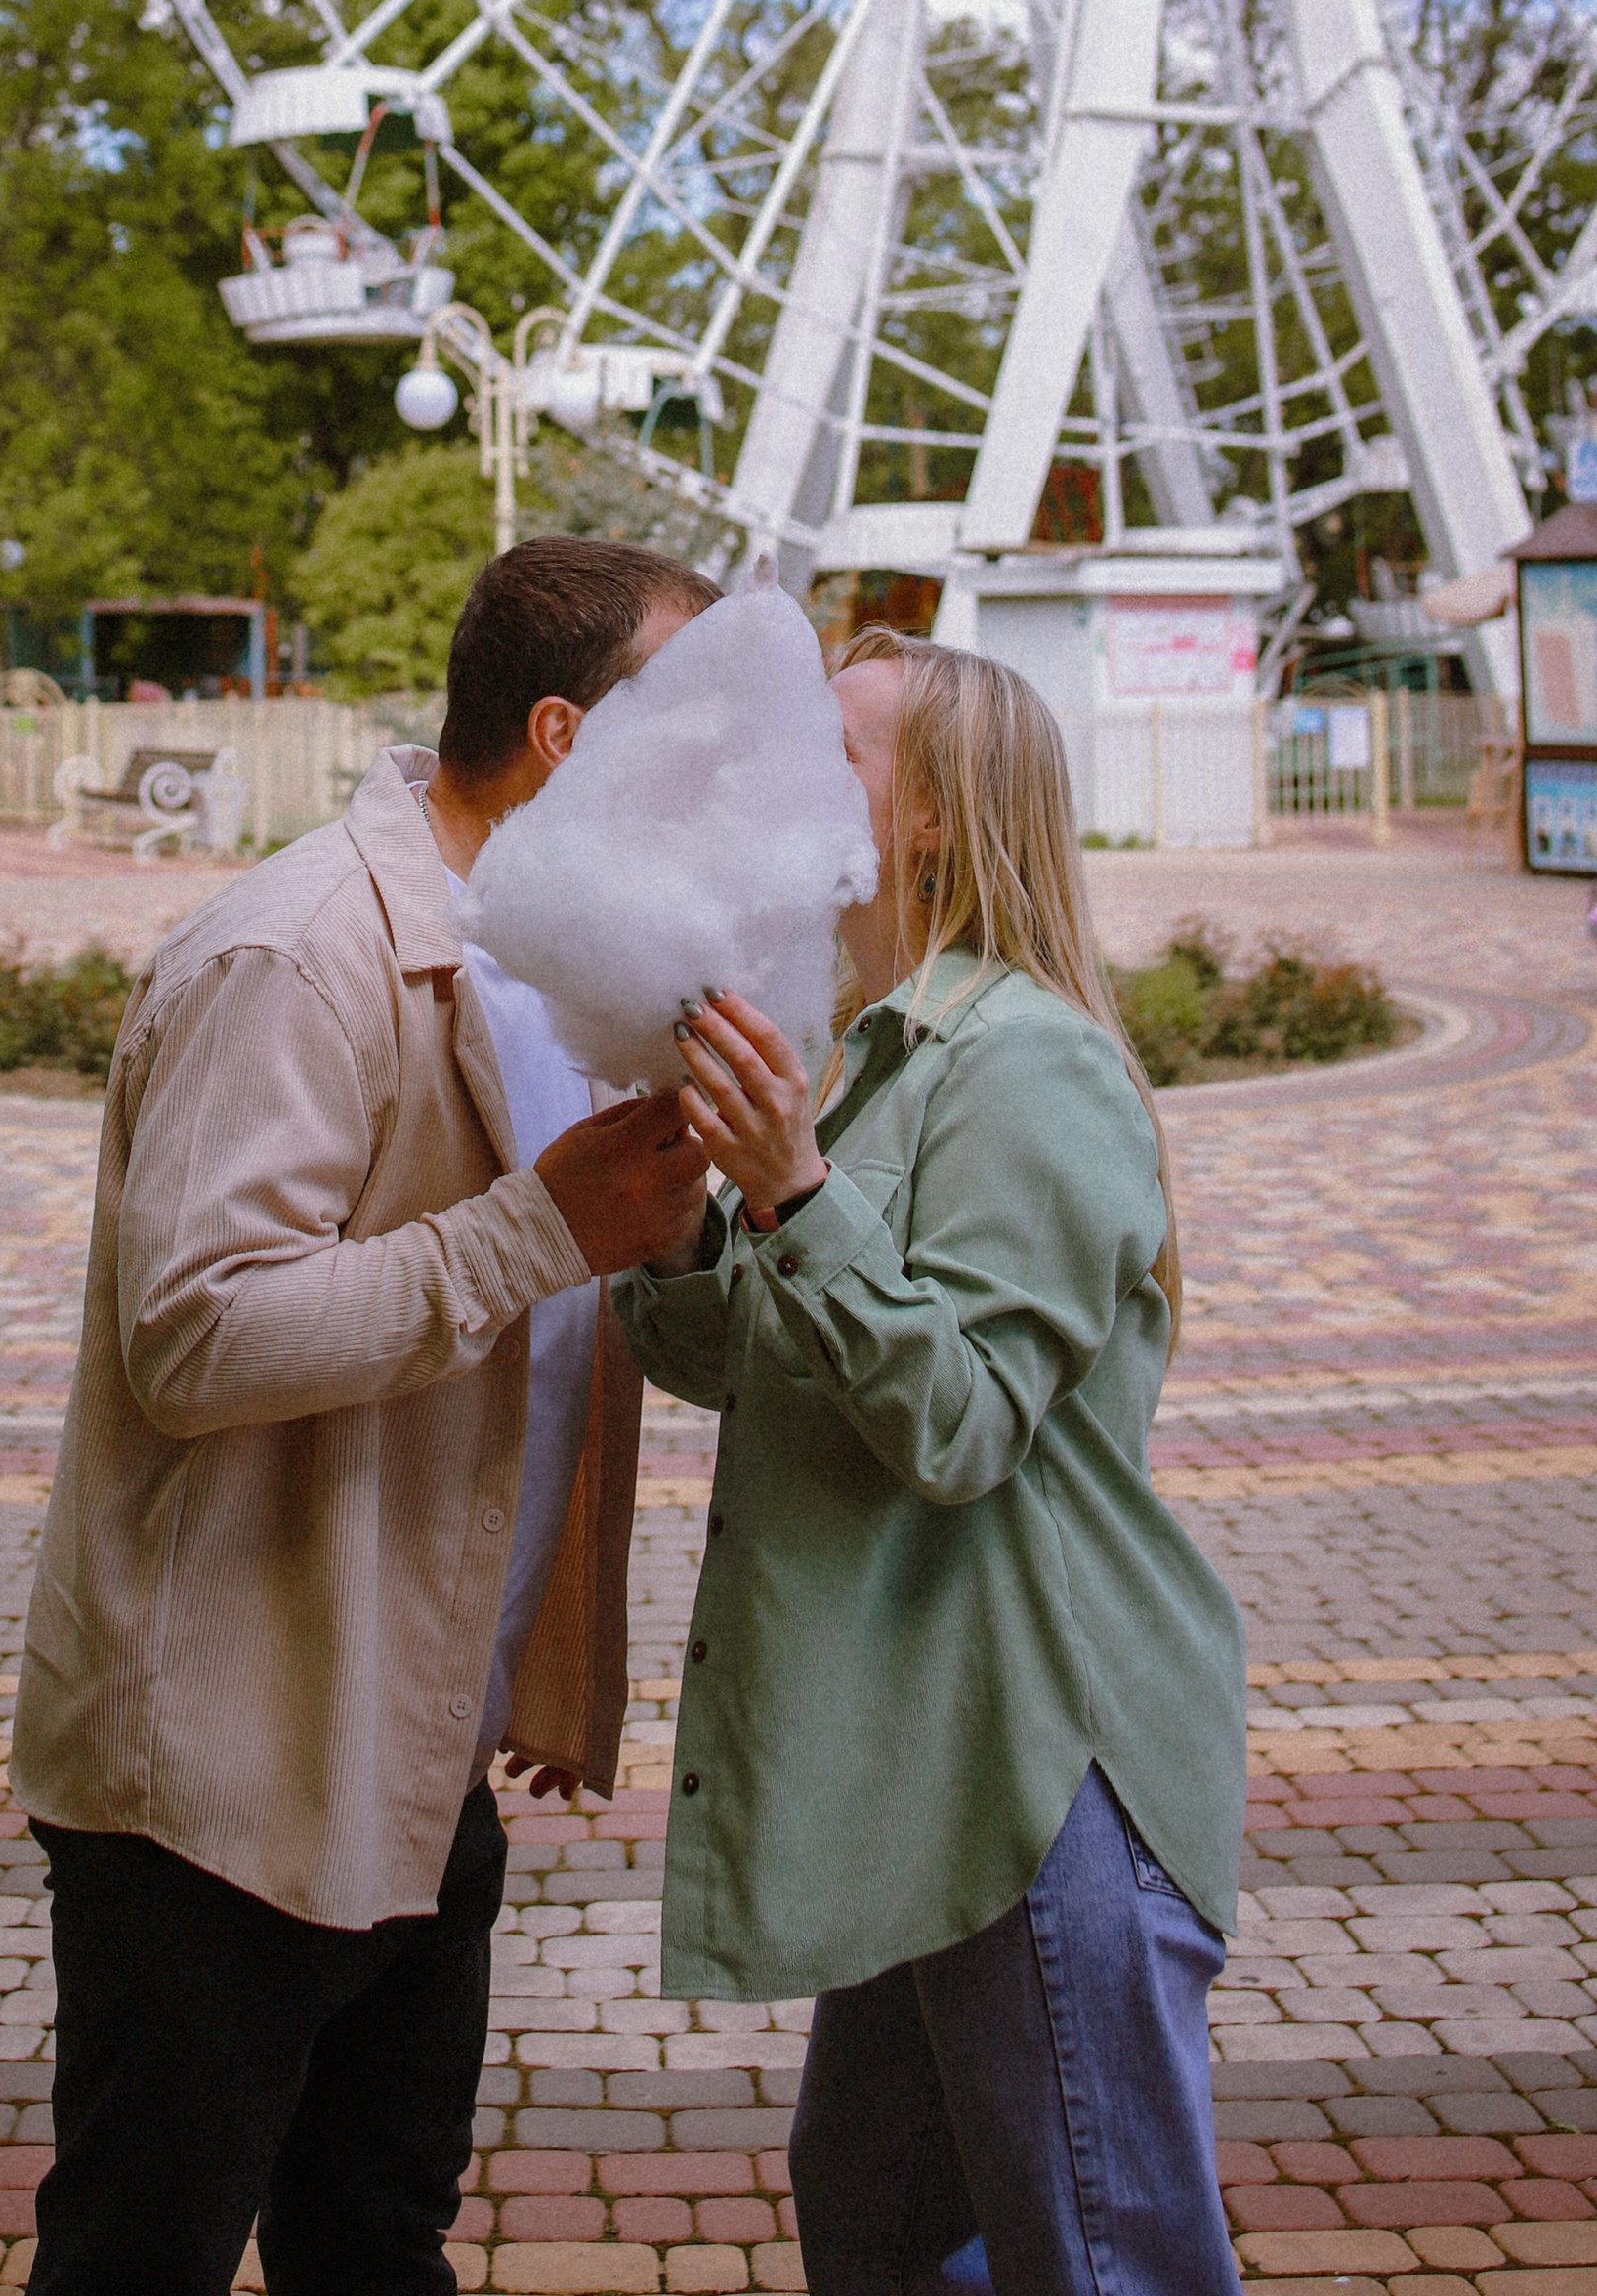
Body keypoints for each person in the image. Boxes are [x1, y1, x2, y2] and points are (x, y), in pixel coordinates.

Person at [14, 535, 721, 2296]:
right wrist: (543, 1226)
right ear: (565, 736)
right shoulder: (300, 957)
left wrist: (541, 1673)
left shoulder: (572, 972)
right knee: (140, 2256)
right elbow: (196, 1334)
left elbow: (552, 1345)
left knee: (376, 2243)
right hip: (223, 1778)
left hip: (412, 1753)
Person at [616, 623, 1248, 2296]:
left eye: (832, 751)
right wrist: (695, 1206)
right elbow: (721, 1358)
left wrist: (800, 1194)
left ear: (931, 821)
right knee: (882, 2225)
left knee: (1099, 2259)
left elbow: (960, 1427)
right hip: (919, 1765)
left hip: (1041, 1762)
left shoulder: (1025, 1063)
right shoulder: (861, 1048)